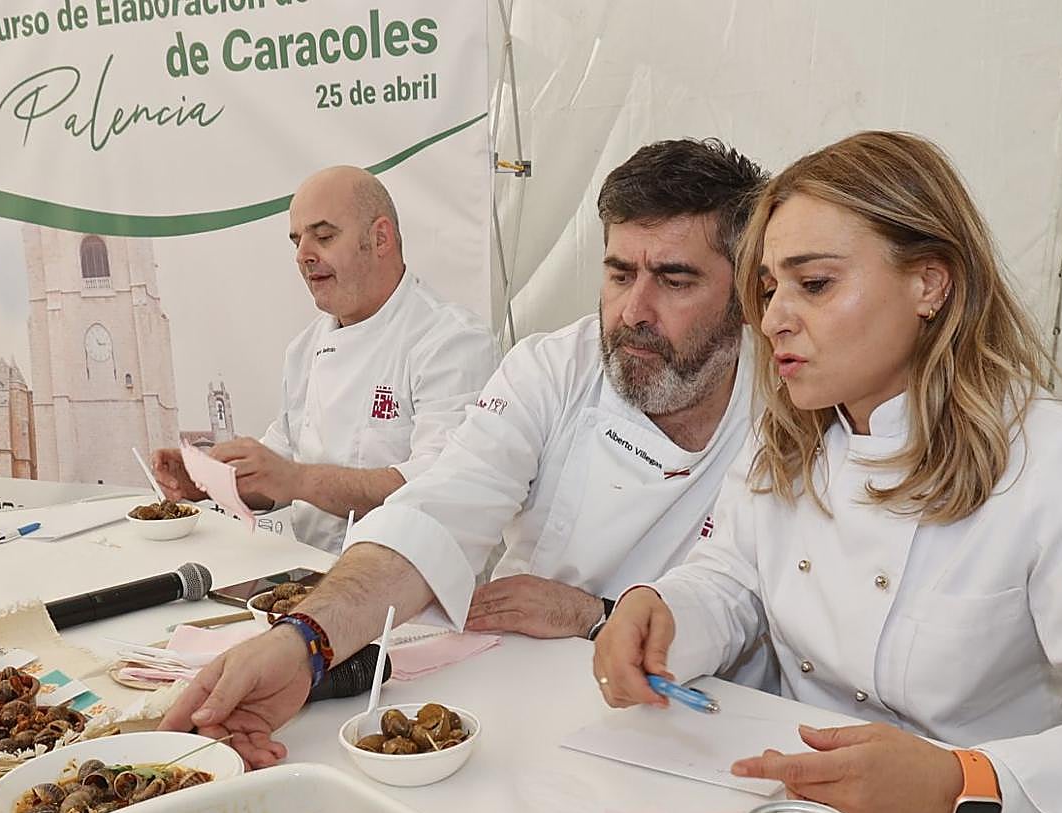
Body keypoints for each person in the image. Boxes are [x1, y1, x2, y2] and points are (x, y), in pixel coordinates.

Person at [592, 131, 1062, 813]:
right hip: (791, 809)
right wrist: (663, 614)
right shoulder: (787, 438)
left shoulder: (1058, 462)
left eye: (814, 284)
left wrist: (962, 783)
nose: (774, 318)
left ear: (929, 284)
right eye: (767, 287)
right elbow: (732, 580)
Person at [159, 139, 770, 766]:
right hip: (523, 686)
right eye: (618, 275)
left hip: (707, 721)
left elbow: (744, 596)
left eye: (675, 280)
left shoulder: (788, 408)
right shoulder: (553, 367)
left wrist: (596, 614)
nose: (633, 312)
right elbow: (440, 506)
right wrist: (306, 641)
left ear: (747, 292)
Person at [152, 166, 498, 553]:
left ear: (380, 238)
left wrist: (298, 480)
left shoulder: (451, 342)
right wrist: (208, 480)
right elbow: (278, 470)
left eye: (324, 236)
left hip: (415, 595)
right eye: (297, 241)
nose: (303, 256)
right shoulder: (305, 348)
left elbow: (440, 487)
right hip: (314, 579)